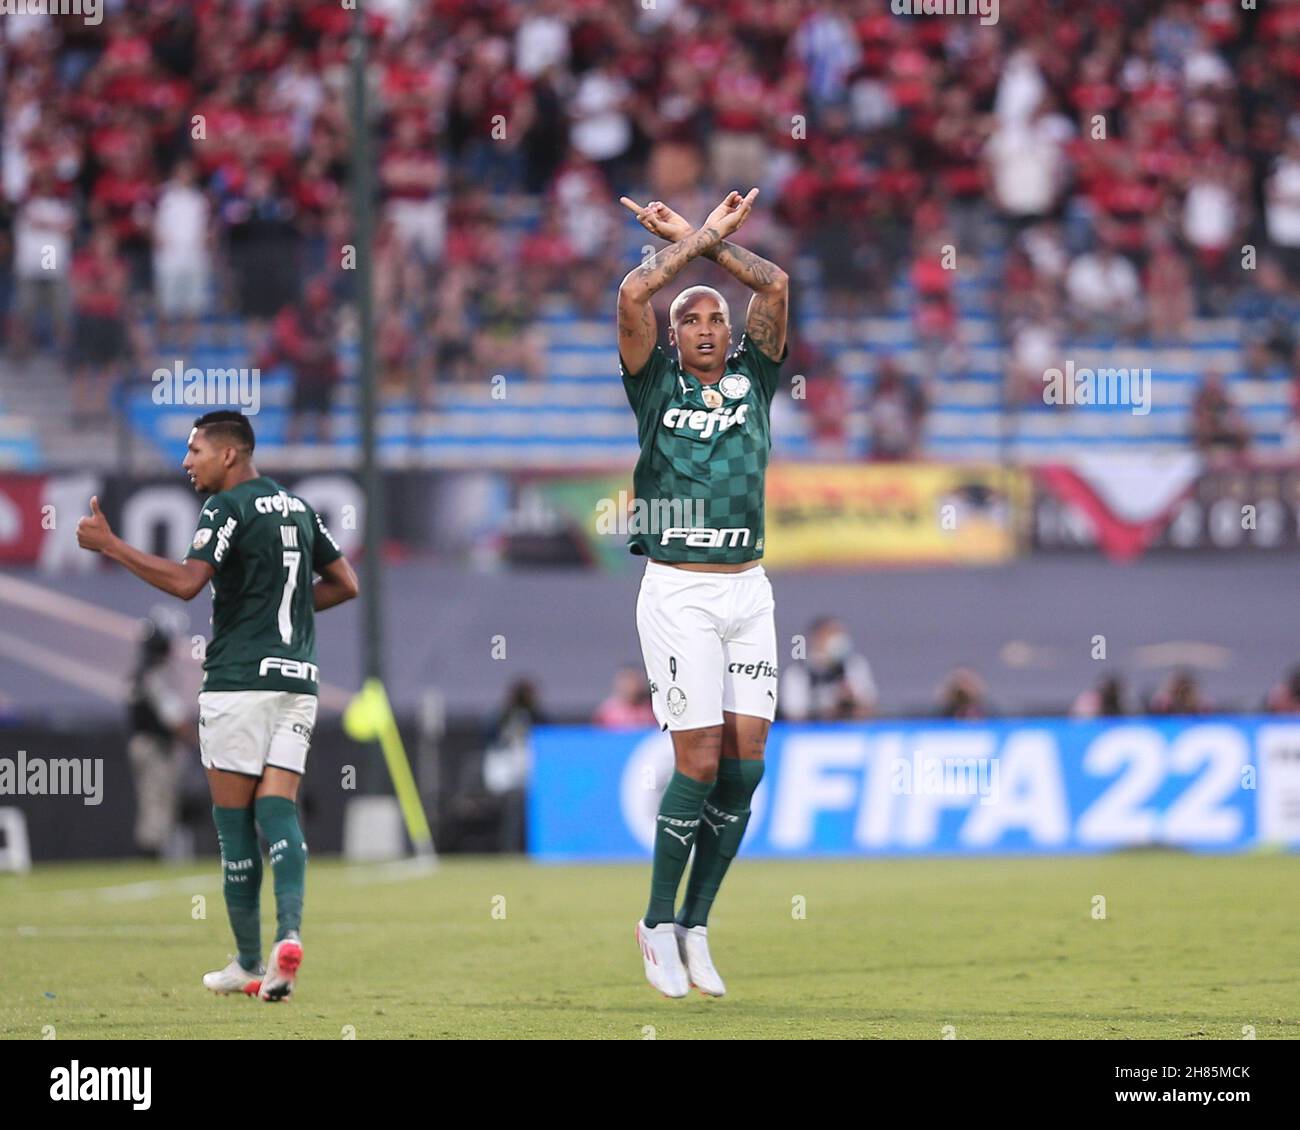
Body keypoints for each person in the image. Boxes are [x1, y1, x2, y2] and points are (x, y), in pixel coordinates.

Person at [76, 410, 358, 1002]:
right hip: (297, 680)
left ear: (229, 455)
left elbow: (186, 582)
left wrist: (112, 546)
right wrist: (280, 615)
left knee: (234, 829)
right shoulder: (296, 507)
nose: (186, 461)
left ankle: (250, 961)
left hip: (237, 683)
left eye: (195, 449)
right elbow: (345, 583)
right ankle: (289, 939)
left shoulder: (226, 508)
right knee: (279, 813)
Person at [617, 188, 789, 999]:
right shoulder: (653, 385)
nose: (707, 328)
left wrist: (704, 237)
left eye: (716, 318)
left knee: (747, 768)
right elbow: (631, 294)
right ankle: (655, 923)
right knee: (699, 757)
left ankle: (696, 924)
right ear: (674, 337)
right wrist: (693, 245)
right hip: (679, 591)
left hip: (748, 591)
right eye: (691, 320)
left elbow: (777, 286)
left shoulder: (756, 377)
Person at [126, 618, 191, 859]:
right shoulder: (154, 675)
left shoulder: (139, 674)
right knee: (158, 799)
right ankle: (151, 854)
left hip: (142, 743)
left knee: (153, 799)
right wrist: (194, 739)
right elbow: (173, 717)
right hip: (156, 746)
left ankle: (154, 850)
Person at [780, 618, 878, 721]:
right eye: (831, 634)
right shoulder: (798, 673)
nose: (838, 640)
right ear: (817, 638)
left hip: (850, 731)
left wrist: (851, 700)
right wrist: (830, 705)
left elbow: (869, 706)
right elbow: (794, 715)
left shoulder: (854, 666)